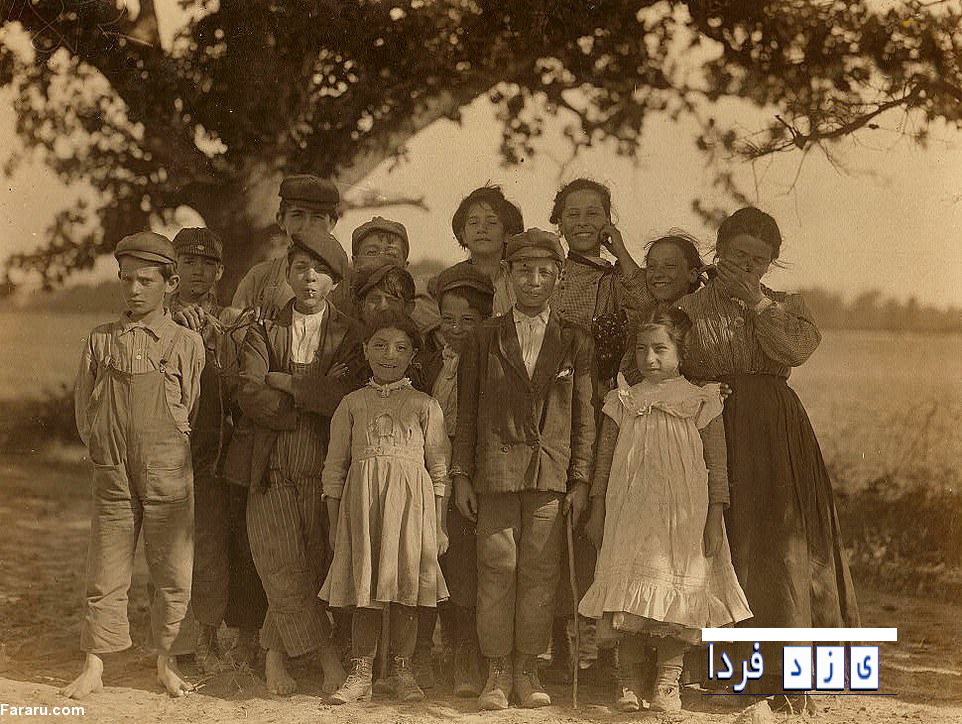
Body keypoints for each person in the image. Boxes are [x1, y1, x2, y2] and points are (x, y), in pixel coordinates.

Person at [676, 207, 860, 702]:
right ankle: (725, 671)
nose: (747, 266)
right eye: (738, 255)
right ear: (718, 250)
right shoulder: (688, 308)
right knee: (727, 541)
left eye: (759, 260)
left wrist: (757, 304)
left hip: (777, 434)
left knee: (780, 547)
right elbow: (674, 364)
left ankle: (790, 673)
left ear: (771, 263)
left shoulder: (786, 305)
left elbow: (794, 351)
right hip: (715, 428)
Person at [580, 308, 752, 713]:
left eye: (660, 349)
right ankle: (628, 680)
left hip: (682, 516)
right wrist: (598, 509)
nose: (649, 358)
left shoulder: (700, 400)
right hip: (630, 511)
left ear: (680, 351)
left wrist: (714, 517)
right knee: (627, 593)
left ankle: (667, 682)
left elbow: (717, 465)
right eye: (641, 350)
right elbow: (603, 461)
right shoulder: (623, 399)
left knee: (678, 595)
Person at [451, 229, 595, 711]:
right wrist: (461, 474)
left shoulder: (575, 339)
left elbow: (584, 416)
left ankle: (528, 668)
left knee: (540, 571)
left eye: (545, 272)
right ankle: (496, 670)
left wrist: (580, 479)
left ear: (559, 277)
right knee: (496, 567)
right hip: (494, 471)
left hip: (551, 475)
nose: (534, 281)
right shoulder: (483, 337)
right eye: (524, 271)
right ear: (507, 275)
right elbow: (467, 412)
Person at [224, 227, 365, 696]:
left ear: (335, 282)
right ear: (286, 273)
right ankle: (326, 657)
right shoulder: (264, 329)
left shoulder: (350, 334)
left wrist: (287, 382)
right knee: (280, 560)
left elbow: (343, 396)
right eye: (300, 268)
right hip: (269, 464)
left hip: (326, 463)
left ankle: (274, 653)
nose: (309, 279)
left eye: (320, 272)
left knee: (313, 562)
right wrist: (305, 400)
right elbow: (250, 392)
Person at [66, 232, 206, 699]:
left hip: (167, 468)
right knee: (105, 566)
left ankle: (167, 662)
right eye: (126, 279)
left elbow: (191, 407)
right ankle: (94, 664)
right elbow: (85, 409)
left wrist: (163, 449)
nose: (134, 289)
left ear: (170, 284)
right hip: (113, 470)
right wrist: (105, 450)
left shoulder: (186, 343)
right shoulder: (100, 340)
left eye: (146, 280)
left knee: (172, 568)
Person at [546, 178, 653, 681]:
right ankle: (560, 647)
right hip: (552, 406)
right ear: (558, 221)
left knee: (602, 520)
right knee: (555, 518)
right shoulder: (547, 272)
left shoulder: (617, 279)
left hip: (606, 406)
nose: (583, 223)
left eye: (594, 214)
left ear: (609, 221)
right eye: (572, 214)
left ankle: (606, 650)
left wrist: (623, 252)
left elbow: (647, 309)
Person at [320, 311, 451, 705]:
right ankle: (361, 674)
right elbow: (334, 469)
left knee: (407, 590)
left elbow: (439, 470)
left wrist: (439, 526)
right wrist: (334, 524)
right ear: (365, 350)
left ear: (413, 355)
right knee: (366, 592)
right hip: (363, 510)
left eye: (400, 347)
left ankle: (402, 672)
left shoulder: (425, 405)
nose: (389, 355)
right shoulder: (351, 404)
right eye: (379, 345)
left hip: (412, 511)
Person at [168, 227, 268, 673]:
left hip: (226, 450)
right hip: (176, 452)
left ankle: (233, 636)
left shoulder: (232, 320)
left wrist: (226, 337)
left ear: (221, 271)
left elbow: (243, 381)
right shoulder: (158, 317)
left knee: (233, 543)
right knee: (183, 546)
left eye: (207, 264)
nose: (198, 272)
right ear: (173, 269)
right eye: (188, 262)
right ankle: (188, 639)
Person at [416, 263, 495, 697]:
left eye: (469, 319)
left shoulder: (493, 360)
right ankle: (424, 651)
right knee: (429, 557)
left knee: (464, 561)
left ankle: (468, 650)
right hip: (427, 472)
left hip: (471, 471)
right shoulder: (430, 362)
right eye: (448, 319)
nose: (457, 328)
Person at [231, 174, 341, 320]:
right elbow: (233, 327)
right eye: (297, 215)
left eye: (317, 217)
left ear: (332, 223)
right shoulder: (259, 277)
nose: (306, 226)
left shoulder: (346, 281)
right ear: (281, 220)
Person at [332, 216, 444, 352]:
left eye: (391, 254)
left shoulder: (425, 317)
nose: (381, 259)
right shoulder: (334, 308)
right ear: (355, 262)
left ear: (405, 266)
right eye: (371, 252)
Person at [441, 185, 524, 316]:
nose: (481, 229)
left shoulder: (521, 280)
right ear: (463, 235)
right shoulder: (451, 281)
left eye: (491, 222)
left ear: (507, 233)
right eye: (473, 223)